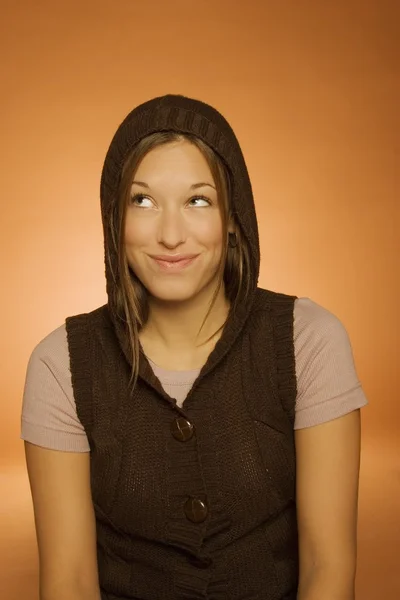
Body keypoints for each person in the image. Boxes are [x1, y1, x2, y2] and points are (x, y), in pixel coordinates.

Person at [21, 94, 368, 600]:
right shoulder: (60, 367)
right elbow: (69, 582)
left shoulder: (308, 341)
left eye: (197, 200)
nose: (169, 234)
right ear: (114, 219)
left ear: (232, 217)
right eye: (142, 201)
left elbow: (327, 568)